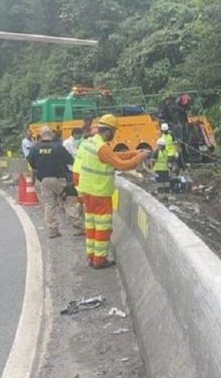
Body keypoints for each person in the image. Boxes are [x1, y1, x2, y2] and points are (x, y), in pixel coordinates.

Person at [77, 114, 149, 269]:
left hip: (87, 192)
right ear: (108, 131)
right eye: (114, 131)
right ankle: (100, 260)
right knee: (103, 227)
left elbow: (112, 157)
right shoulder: (102, 148)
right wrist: (141, 157)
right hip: (100, 193)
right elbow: (122, 165)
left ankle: (91, 256)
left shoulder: (90, 142)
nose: (115, 135)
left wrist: (133, 153)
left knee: (91, 226)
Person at [27, 126, 79, 238]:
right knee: (69, 200)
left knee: (49, 205)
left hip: (44, 180)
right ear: (51, 134)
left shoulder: (35, 148)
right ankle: (77, 226)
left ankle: (53, 230)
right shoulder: (58, 147)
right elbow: (70, 160)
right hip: (60, 179)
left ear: (41, 135)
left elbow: (31, 163)